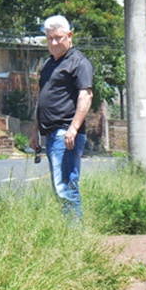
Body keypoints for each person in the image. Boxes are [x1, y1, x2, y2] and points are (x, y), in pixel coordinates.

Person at [30, 15, 93, 220]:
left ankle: (74, 235)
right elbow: (42, 98)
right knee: (60, 186)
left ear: (69, 35)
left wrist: (73, 129)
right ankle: (70, 231)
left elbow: (86, 95)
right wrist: (35, 131)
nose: (54, 42)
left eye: (58, 37)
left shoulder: (79, 62)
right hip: (51, 134)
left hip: (65, 133)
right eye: (49, 38)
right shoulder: (49, 64)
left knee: (66, 185)